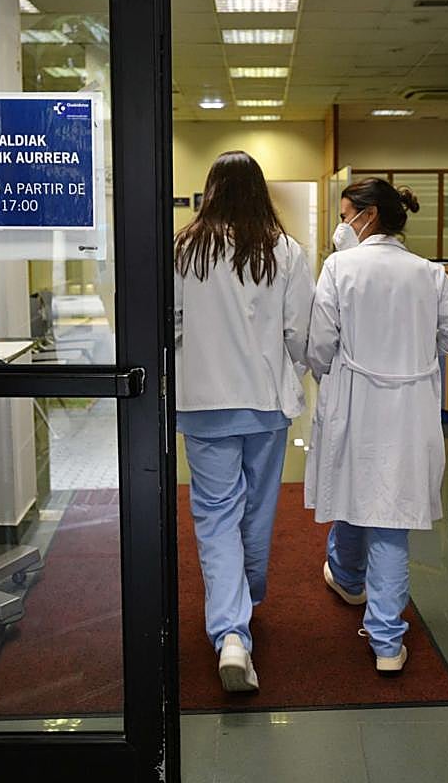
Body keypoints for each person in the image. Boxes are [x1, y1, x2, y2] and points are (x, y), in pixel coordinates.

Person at [306, 177, 448, 672]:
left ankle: (350, 580)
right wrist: (419, 348)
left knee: (357, 494)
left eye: (344, 217)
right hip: (410, 413)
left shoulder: (340, 267)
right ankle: (385, 641)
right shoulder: (428, 273)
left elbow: (319, 344)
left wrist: (335, 372)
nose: (342, 226)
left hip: (357, 404)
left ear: (369, 215)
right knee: (391, 517)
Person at [174, 150, 314, 692]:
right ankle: (242, 609)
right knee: (257, 508)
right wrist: (292, 372)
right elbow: (299, 332)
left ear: (211, 190)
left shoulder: (186, 248)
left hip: (205, 403)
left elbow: (173, 323)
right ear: (259, 191)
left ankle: (232, 632)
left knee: (215, 517)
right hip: (265, 404)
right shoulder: (286, 251)